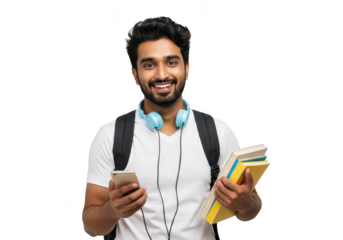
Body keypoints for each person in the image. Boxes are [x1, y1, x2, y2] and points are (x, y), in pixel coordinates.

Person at [81, 15, 263, 240]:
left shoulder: (219, 131)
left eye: (171, 62)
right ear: (135, 75)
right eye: (149, 64)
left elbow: (249, 212)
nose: (161, 74)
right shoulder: (109, 135)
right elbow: (91, 227)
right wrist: (113, 210)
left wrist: (246, 203)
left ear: (186, 69)